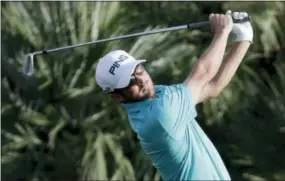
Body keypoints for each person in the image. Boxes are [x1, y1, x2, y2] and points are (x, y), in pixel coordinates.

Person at [95, 10, 253, 181]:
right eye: (129, 81)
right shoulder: (159, 115)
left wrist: (243, 37)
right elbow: (203, 72)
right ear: (117, 97)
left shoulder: (157, 96)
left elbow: (212, 88)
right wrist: (222, 31)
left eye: (137, 70)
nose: (140, 79)